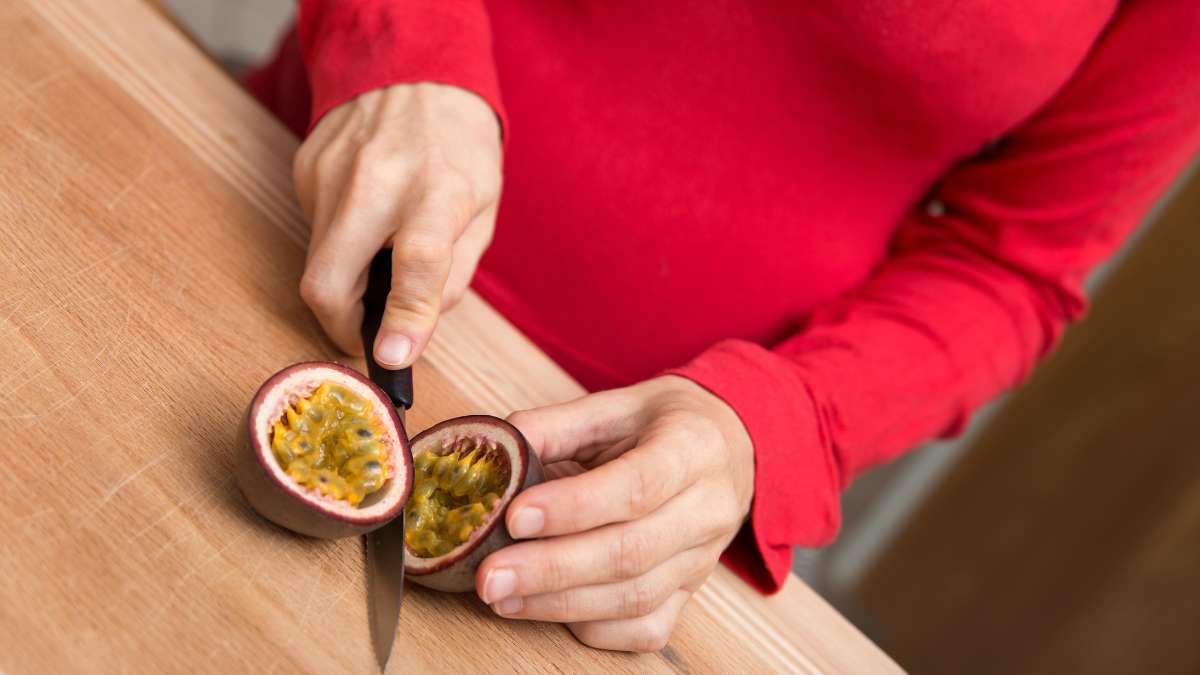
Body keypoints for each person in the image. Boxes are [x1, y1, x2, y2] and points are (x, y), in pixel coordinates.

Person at [246, 1, 1200, 652]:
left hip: (629, 508)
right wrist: (400, 36)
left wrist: (780, 421)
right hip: (284, 238)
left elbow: (1014, 267)